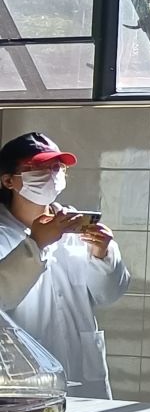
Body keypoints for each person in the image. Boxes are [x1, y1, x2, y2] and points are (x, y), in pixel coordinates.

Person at [0, 133, 128, 398]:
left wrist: (102, 254)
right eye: (38, 167)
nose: (51, 174)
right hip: (26, 378)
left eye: (57, 167)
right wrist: (36, 244)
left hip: (83, 373)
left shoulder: (77, 228)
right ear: (8, 180)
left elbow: (109, 294)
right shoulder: (3, 234)